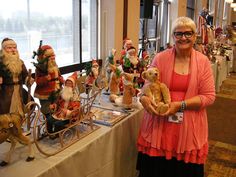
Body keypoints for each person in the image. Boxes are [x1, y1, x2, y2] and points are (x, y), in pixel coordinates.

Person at [137, 17, 216, 177]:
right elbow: (147, 85)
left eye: (188, 33)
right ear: (172, 36)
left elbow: (209, 96)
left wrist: (180, 105)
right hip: (158, 127)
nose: (183, 37)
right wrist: (144, 98)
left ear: (195, 36)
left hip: (189, 129)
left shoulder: (203, 62)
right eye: (178, 33)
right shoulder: (160, 58)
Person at [0, 38, 34, 117]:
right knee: (5, 111)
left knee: (23, 108)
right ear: (3, 50)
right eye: (9, 48)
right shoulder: (1, 63)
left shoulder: (20, 62)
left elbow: (25, 75)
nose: (13, 50)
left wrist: (28, 80)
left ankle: (19, 125)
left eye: (15, 47)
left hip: (19, 90)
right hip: (5, 91)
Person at [34, 44, 64, 119]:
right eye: (50, 56)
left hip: (57, 90)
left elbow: (59, 75)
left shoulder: (55, 65)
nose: (52, 58)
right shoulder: (40, 68)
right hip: (45, 93)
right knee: (47, 109)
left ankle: (58, 123)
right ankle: (49, 126)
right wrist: (45, 79)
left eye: (53, 55)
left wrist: (61, 80)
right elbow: (37, 81)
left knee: (58, 106)